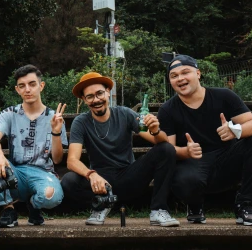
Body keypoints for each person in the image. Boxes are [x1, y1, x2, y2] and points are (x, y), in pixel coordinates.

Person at [158, 55, 252, 226]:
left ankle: (246, 205)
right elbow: (169, 149)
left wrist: (235, 131)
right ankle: (194, 204)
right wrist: (186, 151)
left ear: (198, 73)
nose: (180, 78)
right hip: (193, 165)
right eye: (174, 76)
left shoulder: (224, 96)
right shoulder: (167, 110)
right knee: (184, 181)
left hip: (227, 160)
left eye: (185, 72)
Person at [61, 72, 179, 227]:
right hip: (101, 183)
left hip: (129, 176)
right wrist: (91, 175)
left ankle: (158, 210)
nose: (96, 100)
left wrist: (155, 130)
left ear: (108, 92)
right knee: (69, 181)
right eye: (90, 96)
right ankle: (100, 206)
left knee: (166, 149)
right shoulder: (81, 122)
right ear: (84, 100)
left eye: (99, 93)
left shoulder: (125, 113)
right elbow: (72, 161)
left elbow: (159, 141)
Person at [0, 65, 67, 227]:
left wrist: (56, 132)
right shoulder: (9, 114)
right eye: (22, 86)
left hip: (43, 173)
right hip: (16, 174)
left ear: (41, 86)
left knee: (52, 197)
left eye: (32, 84)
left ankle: (34, 206)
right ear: (17, 90)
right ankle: (8, 208)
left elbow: (57, 159)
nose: (27, 89)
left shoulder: (54, 117)